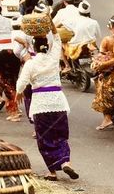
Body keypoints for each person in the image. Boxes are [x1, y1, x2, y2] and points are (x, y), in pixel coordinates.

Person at [16, 35, 79, 181]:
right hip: (58, 102)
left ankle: (52, 172)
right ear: (47, 46)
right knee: (61, 135)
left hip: (40, 104)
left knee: (45, 139)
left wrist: (18, 93)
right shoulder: (53, 59)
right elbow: (57, 39)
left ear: (34, 47)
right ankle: (66, 162)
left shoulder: (30, 64)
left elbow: (21, 84)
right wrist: (50, 23)